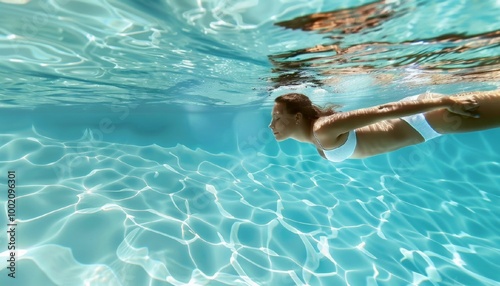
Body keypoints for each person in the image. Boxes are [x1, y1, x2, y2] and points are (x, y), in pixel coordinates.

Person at [269, 90, 500, 162]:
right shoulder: (316, 137)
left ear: (298, 117)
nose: (271, 125)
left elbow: (383, 111)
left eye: (277, 117)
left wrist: (446, 102)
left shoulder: (323, 128)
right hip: (426, 122)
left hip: (430, 117)